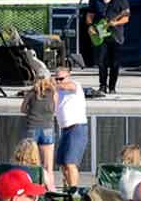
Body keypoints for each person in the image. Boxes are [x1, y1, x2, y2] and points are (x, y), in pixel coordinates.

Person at [87, 0, 130, 94]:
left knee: (115, 63)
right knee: (101, 62)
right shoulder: (96, 0)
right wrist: (90, 26)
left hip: (115, 35)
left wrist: (116, 23)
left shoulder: (121, 0)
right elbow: (89, 15)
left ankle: (112, 87)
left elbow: (126, 18)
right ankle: (102, 86)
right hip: (100, 35)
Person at [54, 67, 89, 197]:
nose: (58, 81)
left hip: (76, 127)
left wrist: (52, 84)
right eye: (56, 79)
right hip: (64, 129)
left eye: (61, 79)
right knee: (62, 163)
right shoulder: (58, 91)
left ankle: (74, 190)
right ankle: (69, 187)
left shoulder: (75, 86)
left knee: (70, 162)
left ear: (68, 77)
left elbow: (68, 86)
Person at [20, 76, 58, 191]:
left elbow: (22, 109)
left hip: (32, 127)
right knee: (48, 165)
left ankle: (34, 188)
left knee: (31, 161)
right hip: (48, 128)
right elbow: (54, 109)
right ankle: (51, 189)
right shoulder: (53, 93)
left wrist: (32, 112)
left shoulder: (31, 93)